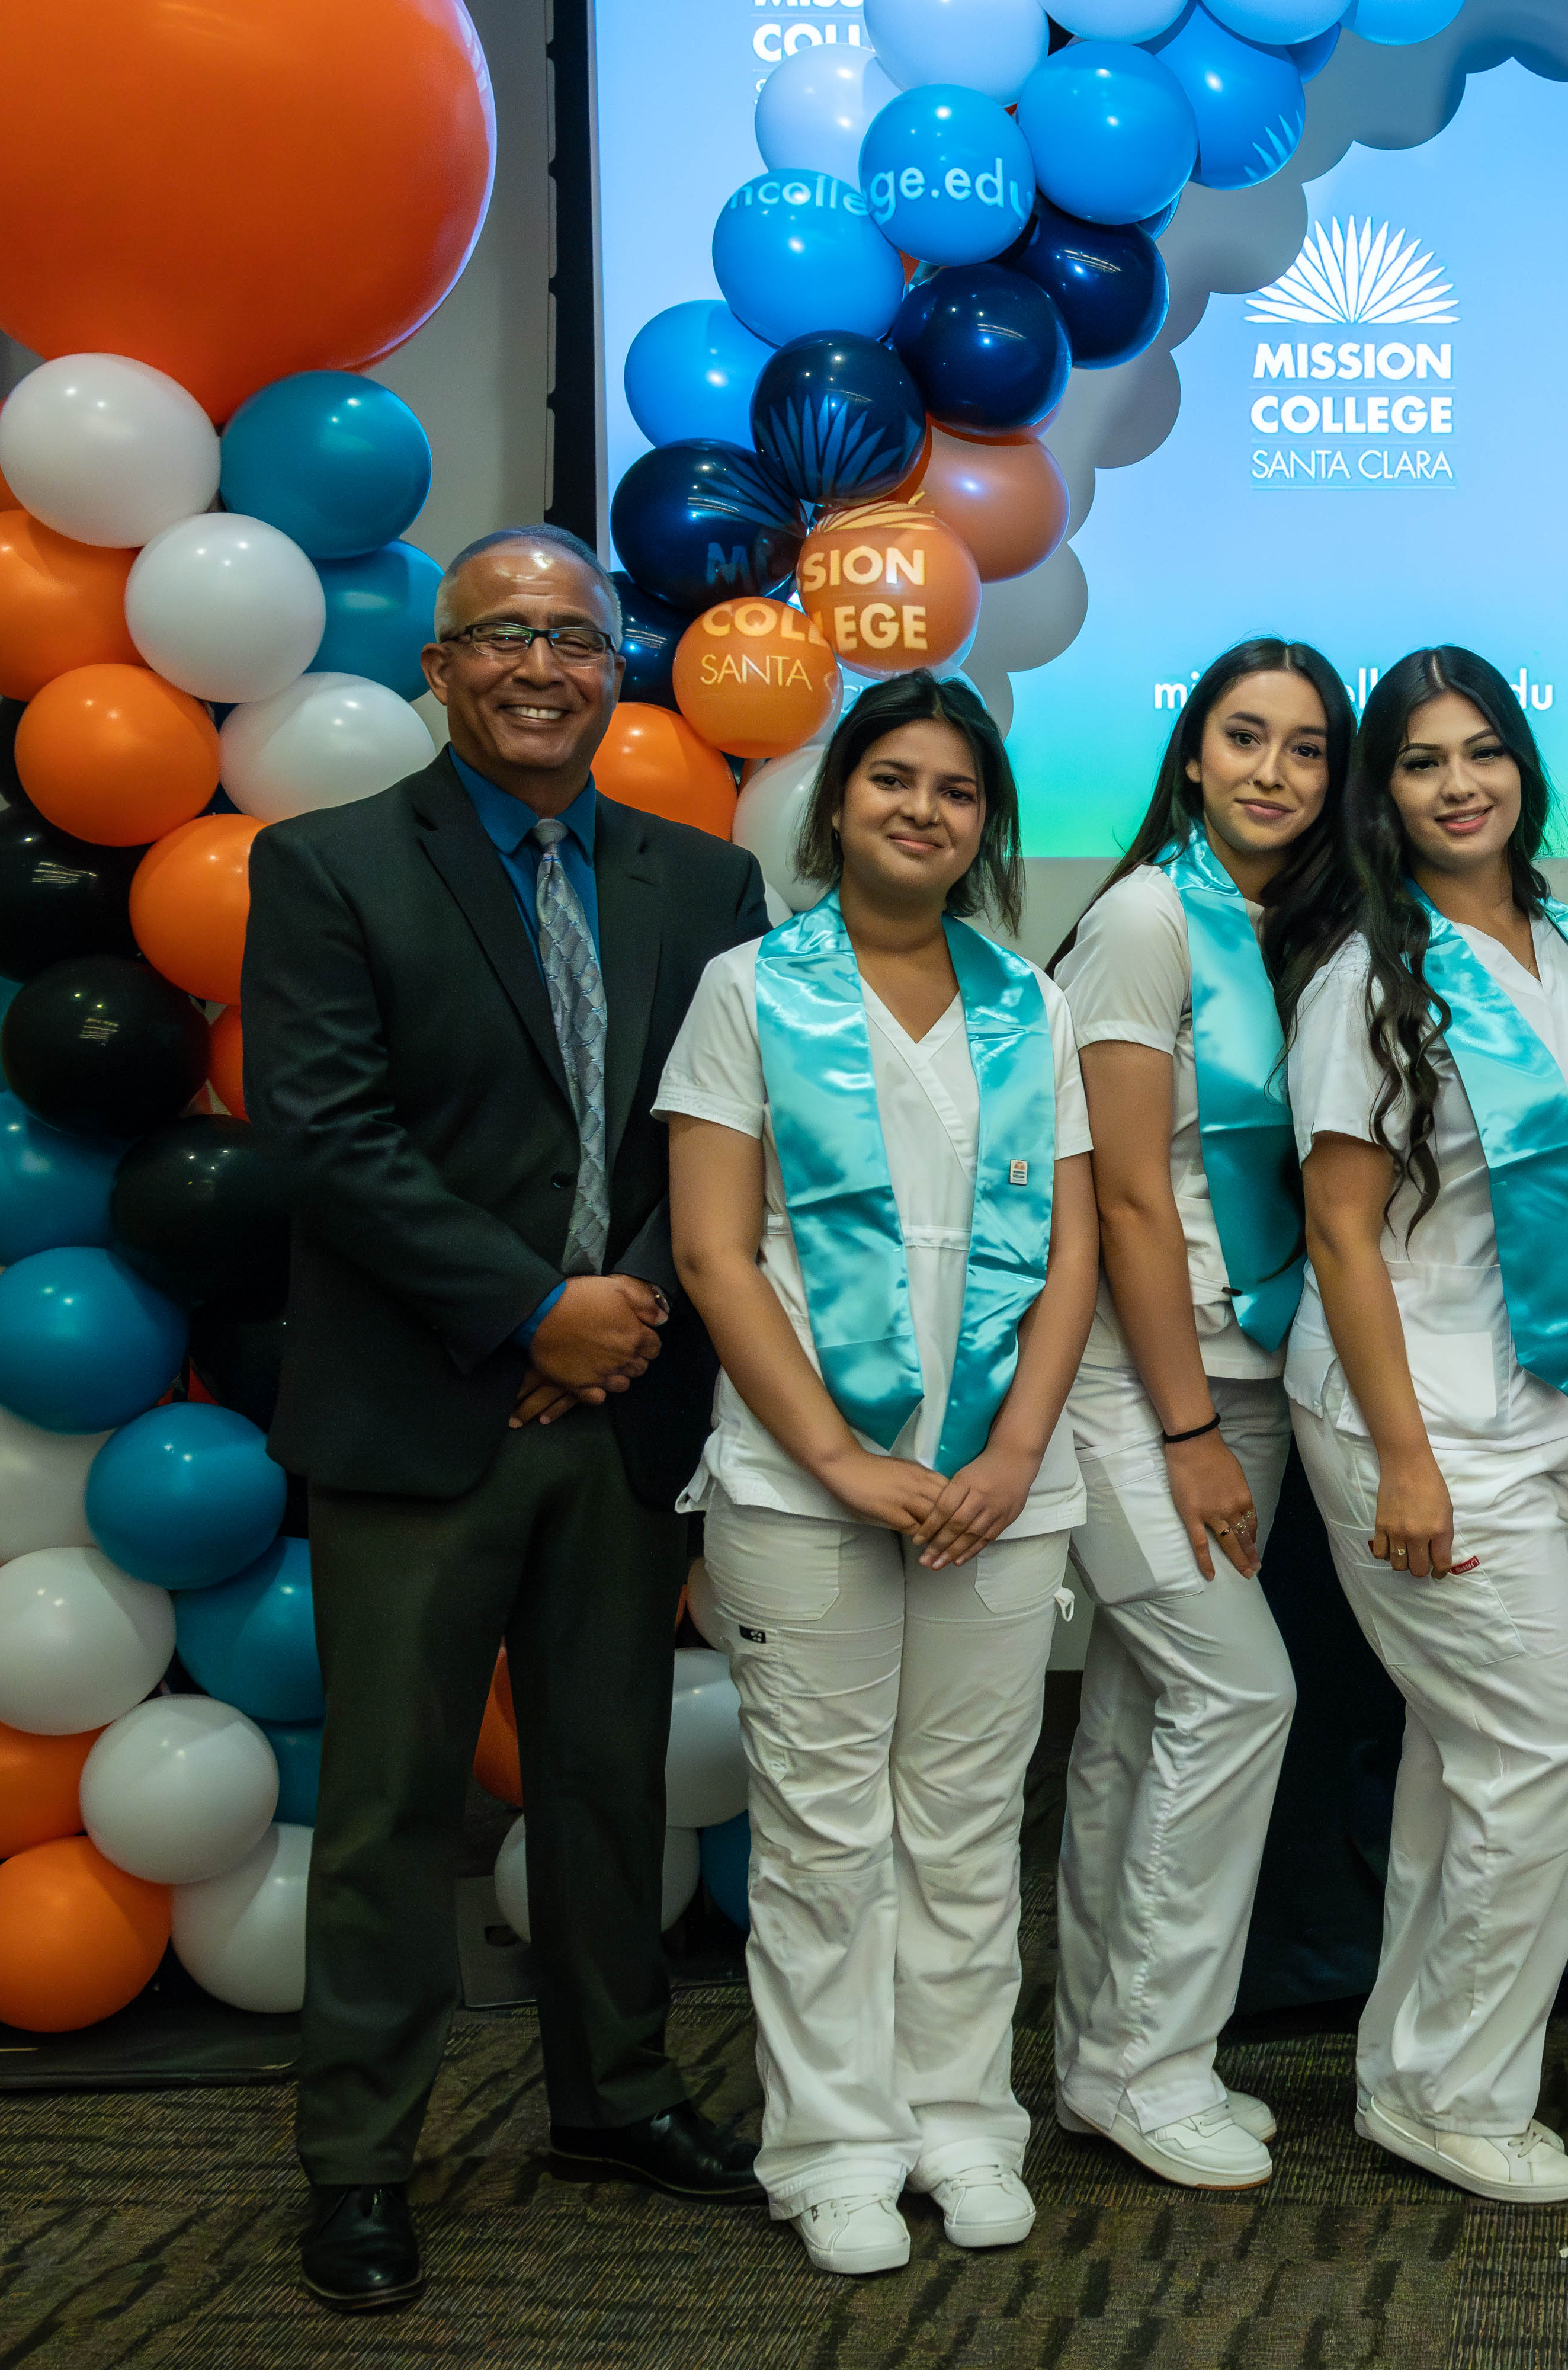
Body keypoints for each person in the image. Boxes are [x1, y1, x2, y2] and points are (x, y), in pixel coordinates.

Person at [244, 527, 769, 2315]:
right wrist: (527, 1307)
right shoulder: (327, 869)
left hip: (624, 1411)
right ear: (443, 669)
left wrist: (619, 1310)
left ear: (615, 664)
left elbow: (719, 1134)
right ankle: (362, 2162)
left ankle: (613, 2101)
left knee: (606, 1789)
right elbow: (326, 1136)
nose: (544, 665)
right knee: (392, 1807)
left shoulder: (704, 885)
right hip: (422, 1416)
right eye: (505, 638)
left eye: (576, 634)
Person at [659, 671, 1102, 2273]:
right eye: (893, 779)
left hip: (997, 1489)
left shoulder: (1029, 1005)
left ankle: (966, 2124)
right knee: (826, 1834)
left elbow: (1069, 1257)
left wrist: (1012, 1450)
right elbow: (716, 1254)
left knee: (971, 1824)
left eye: (958, 790)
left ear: (986, 827)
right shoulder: (747, 992)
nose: (924, 809)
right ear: (835, 802)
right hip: (798, 1488)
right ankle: (836, 2148)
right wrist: (841, 1458)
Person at [1264, 645, 1568, 2206]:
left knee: (1469, 1760)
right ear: (1384, 793)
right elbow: (1342, 1236)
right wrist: (1408, 1458)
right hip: (1416, 1416)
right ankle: (1464, 2089)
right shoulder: (1372, 977)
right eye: (1422, 762)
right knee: (1557, 1746)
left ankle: (1407, 2069)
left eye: (1483, 751)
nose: (1460, 783)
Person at [1042, 639, 1354, 2190]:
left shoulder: (1285, 931)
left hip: (1257, 1378)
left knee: (1142, 1717)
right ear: (1191, 752)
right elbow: (1122, 1203)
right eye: (1247, 737)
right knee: (1241, 1698)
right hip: (1134, 1387)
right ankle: (1142, 2066)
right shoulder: (1149, 917)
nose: (1275, 773)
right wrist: (1175, 1428)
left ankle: (1106, 2048)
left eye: (1306, 749)